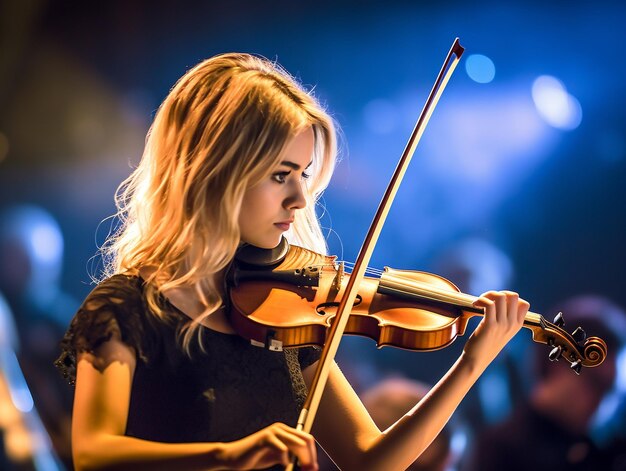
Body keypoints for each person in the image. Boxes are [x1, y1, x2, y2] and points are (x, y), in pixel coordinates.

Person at [54, 52, 529, 471]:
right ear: (216, 170)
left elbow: (372, 462)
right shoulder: (127, 308)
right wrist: (229, 455)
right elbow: (94, 453)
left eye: (303, 175)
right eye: (281, 175)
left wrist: (471, 364)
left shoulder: (282, 315)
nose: (301, 198)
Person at [463, 295, 626, 471]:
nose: (600, 403)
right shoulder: (499, 448)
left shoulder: (606, 452)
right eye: (595, 383)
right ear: (556, 363)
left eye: (611, 392)